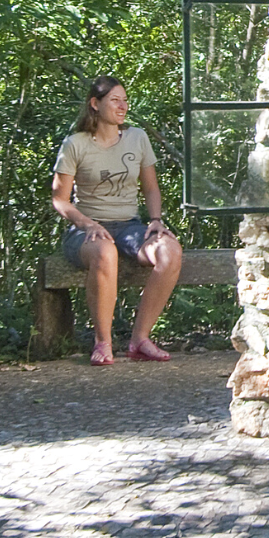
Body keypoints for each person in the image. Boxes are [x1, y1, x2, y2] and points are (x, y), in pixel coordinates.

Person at [51, 76, 182, 365]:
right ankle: (103, 342)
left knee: (169, 250)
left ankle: (140, 338)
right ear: (95, 104)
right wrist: (88, 224)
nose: (122, 106)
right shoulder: (75, 144)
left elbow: (150, 187)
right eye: (115, 100)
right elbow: (59, 200)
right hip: (85, 230)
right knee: (104, 252)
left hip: (130, 227)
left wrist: (156, 220)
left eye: (125, 100)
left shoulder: (137, 138)